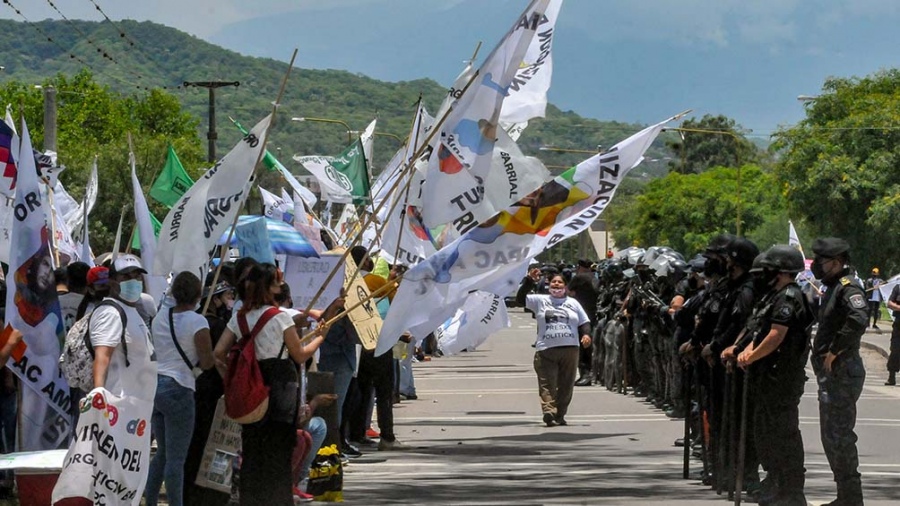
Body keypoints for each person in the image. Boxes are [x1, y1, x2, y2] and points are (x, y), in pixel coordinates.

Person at [213, 263, 325, 506]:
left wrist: (231, 379)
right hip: (280, 386)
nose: (280, 285)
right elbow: (300, 355)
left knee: (252, 449)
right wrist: (319, 338)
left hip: (250, 385)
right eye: (276, 282)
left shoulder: (240, 317)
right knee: (279, 451)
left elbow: (218, 353)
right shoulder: (280, 317)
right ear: (267, 287)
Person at [737, 245, 812, 506]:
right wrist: (746, 350)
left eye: (768, 269)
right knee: (766, 433)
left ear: (779, 271)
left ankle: (790, 490)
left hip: (782, 378)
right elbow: (759, 330)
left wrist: (753, 355)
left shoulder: (789, 296)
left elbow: (776, 336)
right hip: (767, 377)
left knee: (783, 434)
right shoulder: (773, 295)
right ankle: (775, 481)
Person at [145, 272, 215, 506]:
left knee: (162, 454)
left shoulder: (159, 317)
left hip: (156, 385)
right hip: (180, 387)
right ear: (198, 295)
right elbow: (207, 362)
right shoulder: (198, 322)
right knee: (176, 459)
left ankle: (150, 500)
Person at [810, 237, 868, 506]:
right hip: (832, 374)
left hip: (843, 371)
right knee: (831, 435)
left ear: (836, 262)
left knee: (840, 435)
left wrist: (835, 350)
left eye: (821, 261)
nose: (817, 266)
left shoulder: (848, 287)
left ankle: (851, 498)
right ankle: (844, 495)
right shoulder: (832, 287)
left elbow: (858, 318)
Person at [517, 269, 592, 427]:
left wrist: (586, 335)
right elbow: (519, 299)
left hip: (570, 349)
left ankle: (560, 413)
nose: (556, 284)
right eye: (553, 282)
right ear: (548, 285)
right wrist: (529, 280)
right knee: (547, 382)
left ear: (565, 286)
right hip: (546, 350)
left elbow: (584, 322)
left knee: (566, 383)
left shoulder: (573, 303)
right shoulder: (540, 300)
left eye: (560, 282)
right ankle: (549, 411)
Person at [568, 259, 600, 386]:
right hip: (594, 314)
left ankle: (585, 374)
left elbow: (568, 292)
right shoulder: (595, 278)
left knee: (583, 346)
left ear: (580, 267)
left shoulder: (579, 278)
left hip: (581, 315)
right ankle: (590, 373)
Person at [887, 282, 900, 386]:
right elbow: (890, 303)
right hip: (899, 325)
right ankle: (891, 377)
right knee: (895, 349)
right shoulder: (898, 287)